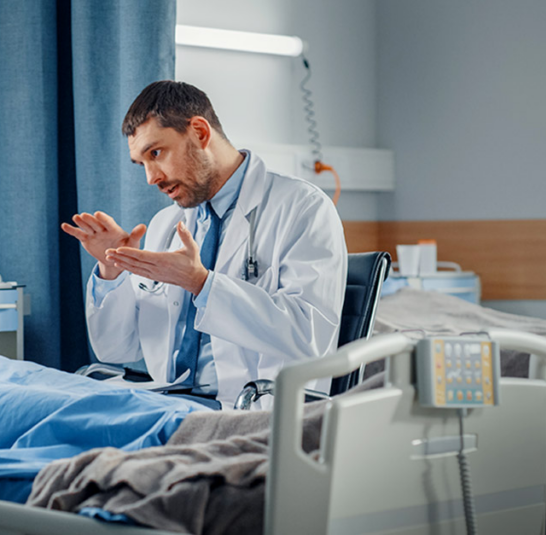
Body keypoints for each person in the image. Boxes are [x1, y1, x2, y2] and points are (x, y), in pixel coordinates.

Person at [62, 80, 347, 407]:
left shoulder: (302, 208)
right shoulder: (167, 225)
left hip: (250, 414)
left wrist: (201, 283)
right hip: (167, 404)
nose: (151, 178)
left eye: (156, 153)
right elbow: (116, 350)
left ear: (199, 132)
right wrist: (113, 270)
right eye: (143, 163)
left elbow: (309, 337)